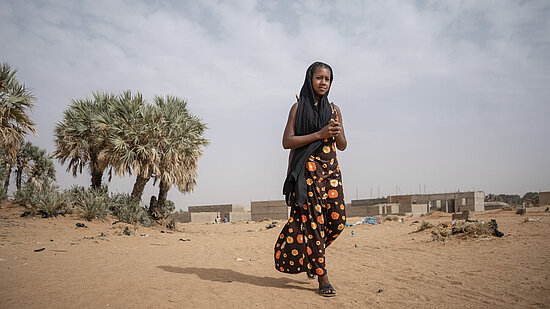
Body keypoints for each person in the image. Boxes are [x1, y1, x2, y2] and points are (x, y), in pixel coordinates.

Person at [274, 61, 347, 297]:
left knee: (338, 222)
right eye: (319, 78)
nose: (323, 82)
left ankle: (313, 256)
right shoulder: (297, 108)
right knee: (314, 225)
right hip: (307, 174)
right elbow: (287, 142)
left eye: (327, 79)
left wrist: (336, 133)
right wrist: (319, 134)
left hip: (331, 173)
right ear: (310, 79)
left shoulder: (335, 110)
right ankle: (322, 277)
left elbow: (343, 145)